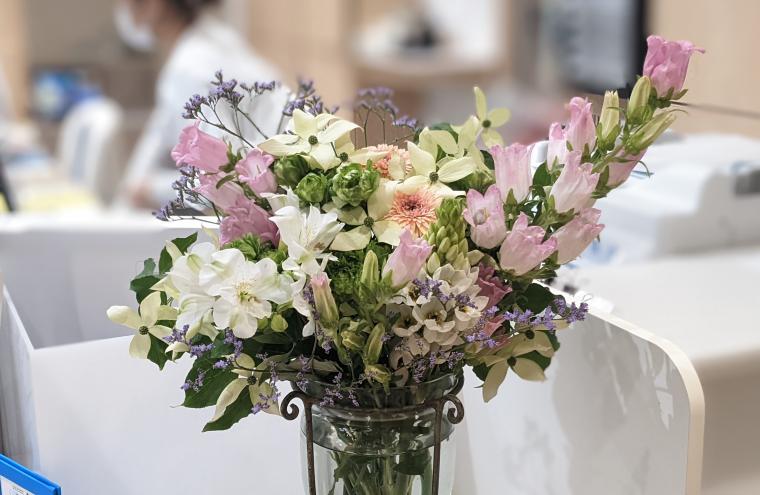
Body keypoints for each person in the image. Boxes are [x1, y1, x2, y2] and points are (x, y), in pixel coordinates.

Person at [114, 0, 287, 208]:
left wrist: (150, 190)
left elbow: (218, 180)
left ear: (154, 4)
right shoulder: (216, 39)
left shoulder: (190, 68)